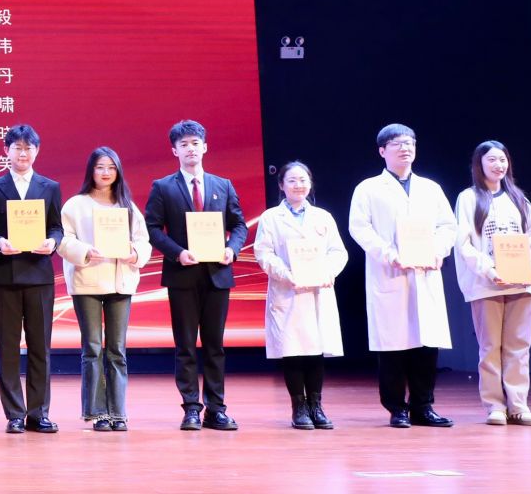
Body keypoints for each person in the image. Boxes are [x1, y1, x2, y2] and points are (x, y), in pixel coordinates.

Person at [347, 124, 457, 428]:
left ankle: (424, 406)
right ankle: (397, 408)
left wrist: (439, 251)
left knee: (426, 345)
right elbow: (359, 227)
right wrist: (388, 254)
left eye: (410, 143)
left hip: (425, 272)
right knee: (392, 346)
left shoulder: (430, 188)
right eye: (397, 144)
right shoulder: (368, 188)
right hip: (390, 272)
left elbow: (448, 226)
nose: (405, 148)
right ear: (382, 151)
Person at [143, 118, 250, 432]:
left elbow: (239, 225)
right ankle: (191, 408)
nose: (190, 149)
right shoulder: (163, 187)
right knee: (186, 346)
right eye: (184, 144)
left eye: (195, 143)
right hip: (182, 275)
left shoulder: (223, 185)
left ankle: (216, 409)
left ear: (205, 147)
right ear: (174, 150)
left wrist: (232, 249)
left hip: (218, 274)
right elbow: (152, 228)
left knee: (215, 345)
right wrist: (177, 252)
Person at [453, 140, 531, 426]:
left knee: (518, 347)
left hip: (521, 283)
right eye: (492, 160)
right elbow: (463, 243)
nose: (499, 165)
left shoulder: (518, 199)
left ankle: (519, 405)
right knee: (490, 348)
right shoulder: (469, 198)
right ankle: (495, 405)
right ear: (479, 164)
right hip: (487, 284)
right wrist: (488, 269)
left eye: (503, 160)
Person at [0, 124, 64, 433]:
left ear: (36, 151)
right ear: (6, 151)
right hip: (5, 276)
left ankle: (38, 412)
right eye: (17, 147)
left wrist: (53, 242)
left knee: (41, 347)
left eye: (28, 148)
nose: (23, 153)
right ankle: (14, 413)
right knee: (8, 347)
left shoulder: (50, 187)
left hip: (40, 276)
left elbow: (57, 226)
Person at [59, 146, 152, 431]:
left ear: (118, 171)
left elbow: (143, 241)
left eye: (111, 167)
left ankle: (118, 412)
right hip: (87, 281)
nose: (106, 172)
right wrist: (85, 251)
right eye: (100, 167)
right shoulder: (75, 205)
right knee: (92, 348)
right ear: (91, 170)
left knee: (117, 349)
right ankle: (98, 412)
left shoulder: (127, 206)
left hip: (120, 282)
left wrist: (134, 254)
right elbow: (63, 240)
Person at [252, 161, 349, 429]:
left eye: (303, 180)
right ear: (281, 185)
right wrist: (287, 274)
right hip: (288, 291)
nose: (298, 185)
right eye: (292, 180)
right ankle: (299, 407)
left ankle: (316, 406)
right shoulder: (271, 217)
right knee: (292, 350)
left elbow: (338, 252)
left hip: (318, 290)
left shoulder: (323, 217)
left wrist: (328, 271)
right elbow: (264, 253)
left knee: (315, 350)